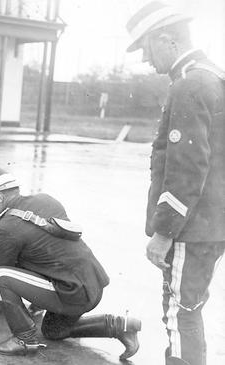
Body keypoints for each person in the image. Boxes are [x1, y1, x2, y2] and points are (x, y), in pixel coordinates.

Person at [126, 2, 225, 364]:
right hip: (212, 225)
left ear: (165, 40)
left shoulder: (190, 85)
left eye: (146, 49)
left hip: (190, 229)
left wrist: (164, 232)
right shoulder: (213, 76)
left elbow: (187, 169)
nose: (145, 61)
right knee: (190, 310)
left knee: (179, 313)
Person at [0, 167, 141, 360]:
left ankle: (24, 339)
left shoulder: (7, 226)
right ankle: (120, 325)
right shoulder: (46, 200)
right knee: (53, 331)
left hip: (72, 292)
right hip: (92, 284)